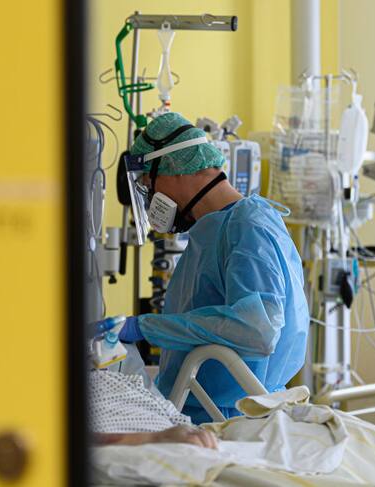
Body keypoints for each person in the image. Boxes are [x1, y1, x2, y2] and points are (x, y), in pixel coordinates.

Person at [98, 112, 310, 423]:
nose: (152, 198)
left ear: (175, 168)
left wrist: (145, 327)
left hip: (234, 418)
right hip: (199, 409)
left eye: (149, 185)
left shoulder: (248, 228)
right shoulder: (210, 233)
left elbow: (257, 330)